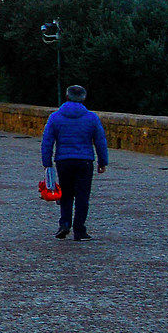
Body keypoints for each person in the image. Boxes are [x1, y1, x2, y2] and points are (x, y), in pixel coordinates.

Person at [39, 85, 109, 241]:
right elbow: (100, 141)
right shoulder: (91, 117)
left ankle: (64, 223)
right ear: (84, 98)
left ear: (67, 97)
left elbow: (47, 141)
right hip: (84, 161)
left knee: (66, 194)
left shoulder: (55, 117)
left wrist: (47, 162)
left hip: (63, 161)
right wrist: (103, 161)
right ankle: (80, 230)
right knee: (83, 196)